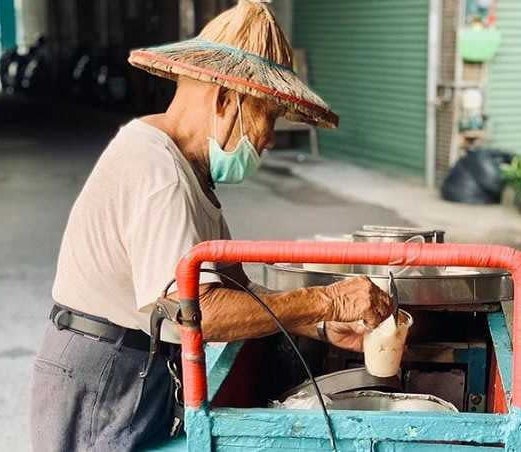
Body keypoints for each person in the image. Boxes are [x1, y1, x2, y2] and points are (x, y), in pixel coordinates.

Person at [29, 1, 392, 451]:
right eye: (268, 117)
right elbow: (198, 312)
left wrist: (317, 325)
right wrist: (327, 300)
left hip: (139, 365)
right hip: (105, 372)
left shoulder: (190, 171)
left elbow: (235, 287)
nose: (269, 139)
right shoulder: (158, 171)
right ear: (225, 101)